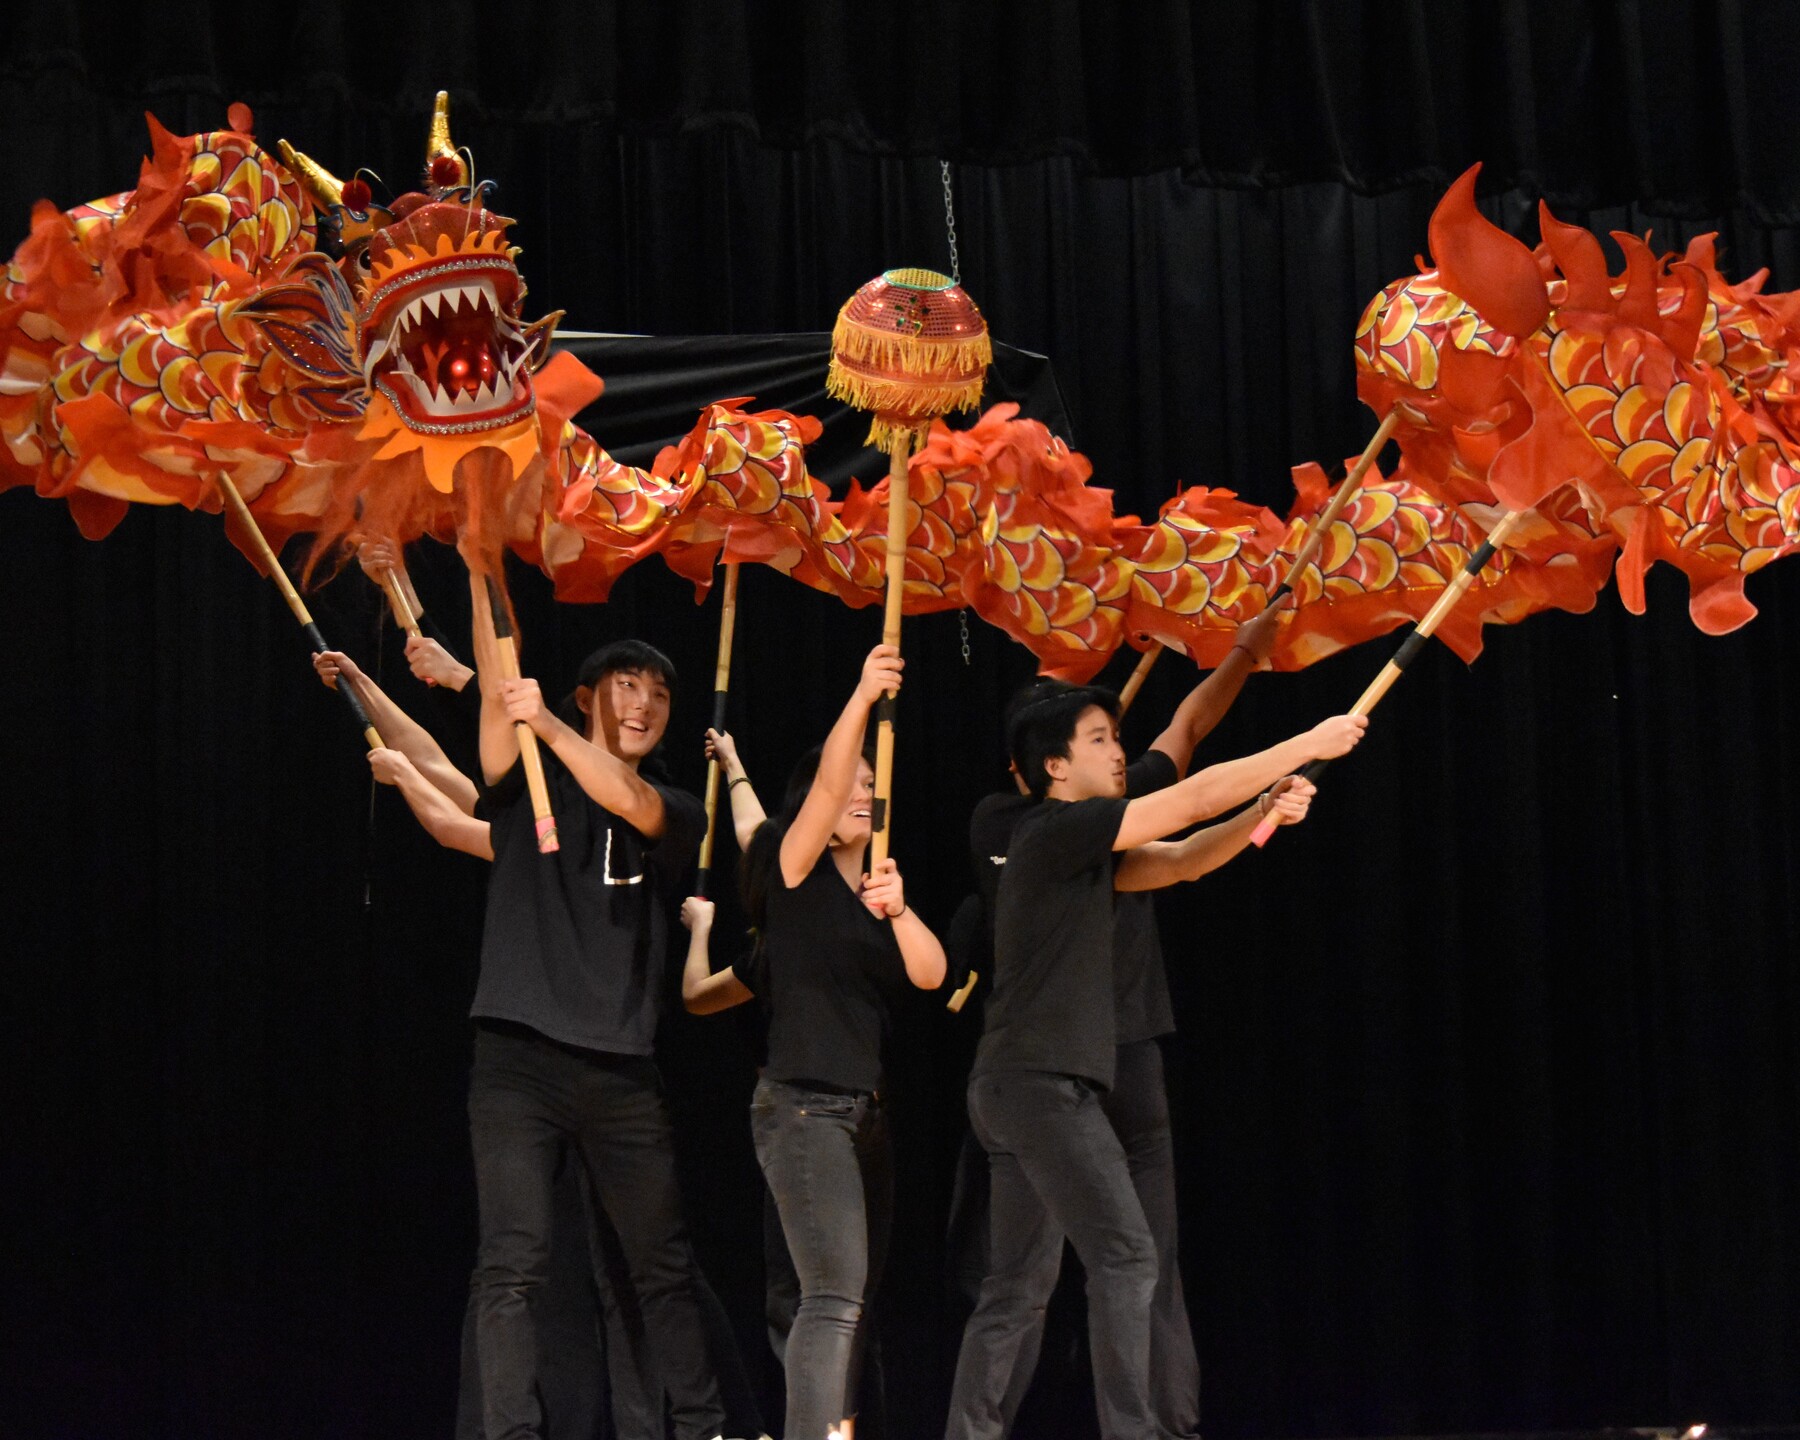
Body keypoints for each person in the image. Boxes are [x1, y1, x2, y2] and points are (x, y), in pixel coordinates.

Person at [945, 684, 1365, 1440]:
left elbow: (1180, 861)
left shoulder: (1078, 853)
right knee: (1129, 1256)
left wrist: (1265, 809)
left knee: (1016, 1287)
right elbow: (1190, 796)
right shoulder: (1053, 829)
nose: (1118, 753)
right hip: (1040, 1087)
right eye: (1100, 739)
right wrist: (1309, 741)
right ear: (1054, 766)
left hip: (1016, 1085)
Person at [461, 571, 728, 1440]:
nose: (645, 704)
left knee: (662, 1267)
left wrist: (544, 723)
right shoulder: (525, 779)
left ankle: (700, 1425)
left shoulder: (679, 809)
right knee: (514, 1264)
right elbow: (498, 682)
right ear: (586, 698)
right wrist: (476, 563)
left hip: (620, 1069)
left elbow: (632, 799)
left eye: (658, 694)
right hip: (518, 1061)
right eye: (626, 686)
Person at [681, 644, 947, 1440]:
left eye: (873, 784)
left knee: (852, 1301)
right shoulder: (791, 876)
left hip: (865, 1117)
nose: (861, 792)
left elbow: (931, 978)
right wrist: (863, 691)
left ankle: (839, 1428)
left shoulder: (878, 891)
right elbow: (779, 810)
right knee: (830, 1296)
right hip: (802, 1110)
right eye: (852, 785)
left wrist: (899, 910)